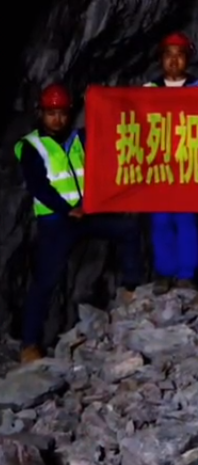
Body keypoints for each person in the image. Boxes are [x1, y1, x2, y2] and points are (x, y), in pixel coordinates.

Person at [16, 84, 143, 363]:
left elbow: (110, 149)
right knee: (45, 282)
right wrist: (66, 209)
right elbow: (39, 186)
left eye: (62, 113)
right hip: (56, 221)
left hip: (87, 214)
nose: (57, 119)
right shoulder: (32, 147)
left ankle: (132, 288)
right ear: (41, 113)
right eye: (51, 113)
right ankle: (29, 344)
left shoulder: (80, 138)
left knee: (129, 230)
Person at [143, 32, 198, 295]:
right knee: (160, 221)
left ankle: (187, 274)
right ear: (161, 59)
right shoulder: (148, 91)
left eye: (179, 55)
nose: (173, 60)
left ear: (187, 60)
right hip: (159, 166)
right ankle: (165, 272)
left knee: (186, 220)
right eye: (168, 55)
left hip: (189, 165)